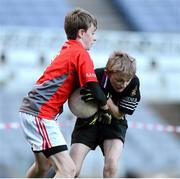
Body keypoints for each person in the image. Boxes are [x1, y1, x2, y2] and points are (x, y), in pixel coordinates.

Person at [19, 8, 112, 178]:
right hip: (41, 114)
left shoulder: (68, 49)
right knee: (69, 170)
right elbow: (93, 87)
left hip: (34, 112)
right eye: (92, 33)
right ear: (82, 33)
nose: (95, 37)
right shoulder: (80, 53)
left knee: (43, 167)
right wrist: (105, 107)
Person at [70, 50, 141, 177]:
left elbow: (119, 114)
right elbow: (74, 97)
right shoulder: (95, 75)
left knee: (111, 165)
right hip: (88, 122)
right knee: (72, 169)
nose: (123, 84)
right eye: (119, 80)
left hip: (114, 124)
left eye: (127, 80)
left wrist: (104, 98)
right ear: (108, 73)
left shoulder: (134, 83)